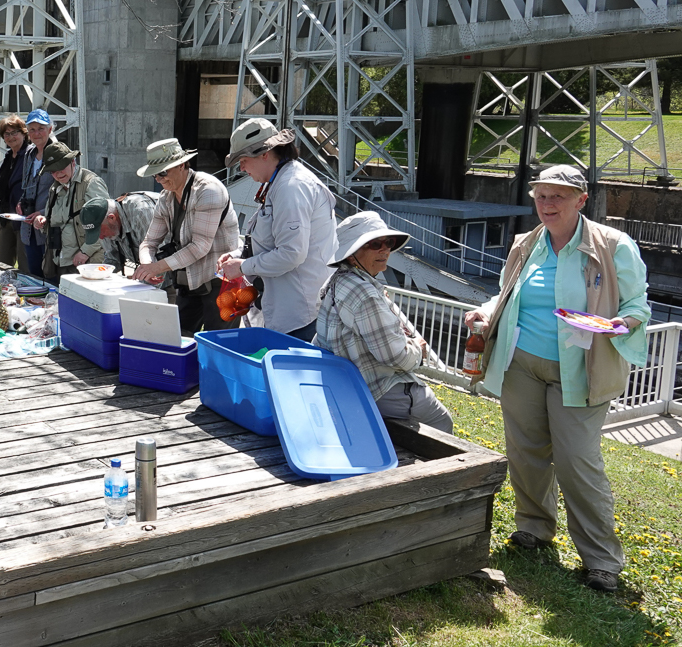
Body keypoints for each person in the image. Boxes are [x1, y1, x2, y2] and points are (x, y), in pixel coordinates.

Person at [463, 164, 650, 593]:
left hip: (580, 369)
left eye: (558, 197)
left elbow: (640, 305)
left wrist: (620, 322)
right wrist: (486, 311)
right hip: (522, 363)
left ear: (581, 200)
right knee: (526, 452)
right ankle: (533, 527)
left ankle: (602, 559)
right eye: (541, 196)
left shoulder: (613, 245)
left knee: (577, 462)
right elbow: (508, 295)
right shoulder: (527, 244)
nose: (547, 205)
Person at [314, 211, 453, 434]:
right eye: (374, 244)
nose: (385, 249)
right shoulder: (365, 293)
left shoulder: (337, 280)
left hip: (348, 382)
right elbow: (395, 356)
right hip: (376, 388)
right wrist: (420, 350)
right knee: (442, 421)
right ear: (351, 255)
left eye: (388, 242)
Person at [218, 118, 337, 341]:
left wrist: (243, 266)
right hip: (287, 310)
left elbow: (291, 254)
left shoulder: (291, 186)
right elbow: (271, 241)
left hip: (298, 316)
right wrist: (238, 256)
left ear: (265, 154)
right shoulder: (280, 182)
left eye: (243, 160)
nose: (242, 168)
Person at [134, 138, 241, 336]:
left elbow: (200, 246)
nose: (158, 179)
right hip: (189, 282)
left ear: (182, 165)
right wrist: (148, 266)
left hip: (221, 282)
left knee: (218, 346)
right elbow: (149, 242)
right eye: (155, 175)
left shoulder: (208, 190)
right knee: (177, 338)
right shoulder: (166, 197)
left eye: (163, 172)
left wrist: (158, 266)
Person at [33, 142, 110, 280]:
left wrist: (85, 252)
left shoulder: (91, 183)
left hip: (86, 262)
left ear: (73, 162)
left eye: (61, 167)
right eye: (53, 171)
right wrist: (43, 223)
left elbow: (105, 225)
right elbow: (58, 221)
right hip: (60, 261)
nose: (58, 174)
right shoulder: (54, 189)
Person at [77, 192, 161, 275]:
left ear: (111, 218)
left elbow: (158, 257)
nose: (101, 237)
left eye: (100, 231)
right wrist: (98, 275)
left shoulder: (141, 211)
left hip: (167, 268)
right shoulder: (109, 226)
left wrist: (144, 284)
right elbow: (113, 259)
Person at [17, 109, 57, 276]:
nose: (36, 133)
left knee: (50, 276)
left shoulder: (57, 153)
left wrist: (42, 212)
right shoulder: (29, 153)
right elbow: (26, 184)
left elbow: (65, 192)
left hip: (48, 226)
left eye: (41, 128)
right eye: (32, 129)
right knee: (34, 274)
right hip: (28, 228)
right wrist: (21, 202)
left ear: (50, 130)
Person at [0, 114, 29, 269]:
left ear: (23, 133)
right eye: (7, 134)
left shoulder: (30, 155)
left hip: (23, 219)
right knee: (1, 262)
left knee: (25, 264)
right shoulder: (9, 156)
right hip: (6, 217)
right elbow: (0, 184)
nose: (11, 137)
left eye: (15, 133)